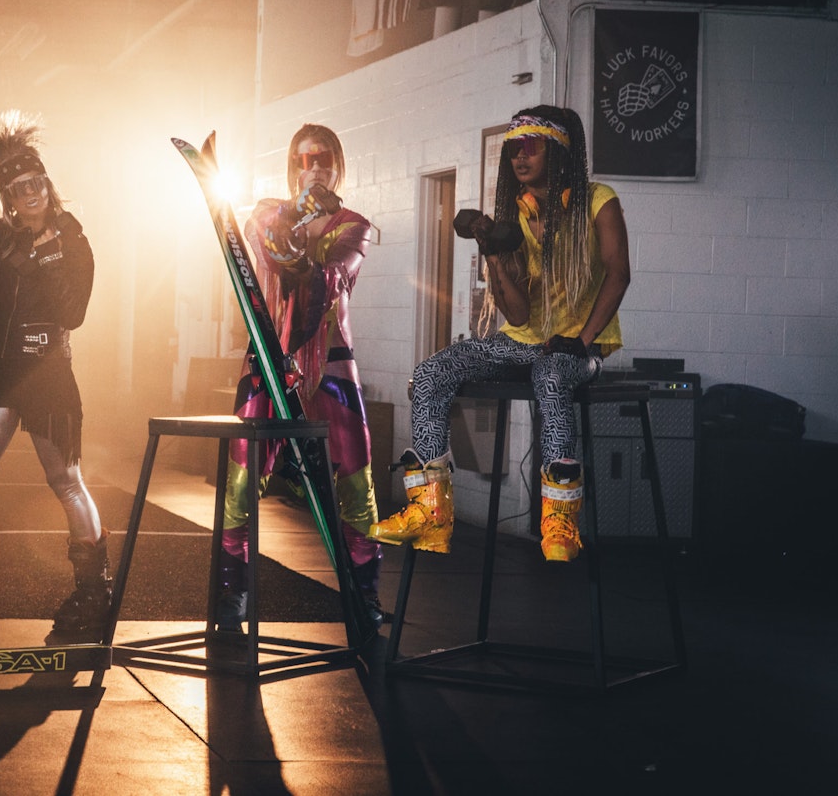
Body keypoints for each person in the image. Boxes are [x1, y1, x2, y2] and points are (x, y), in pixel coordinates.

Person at [370, 104, 630, 562]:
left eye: (530, 147)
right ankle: (430, 513)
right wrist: (490, 252)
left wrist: (584, 340)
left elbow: (619, 273)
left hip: (579, 348)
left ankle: (560, 520)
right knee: (432, 373)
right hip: (524, 342)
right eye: (513, 150)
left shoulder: (597, 200)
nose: (519, 157)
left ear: (557, 150)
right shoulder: (518, 214)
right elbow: (517, 313)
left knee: (551, 375)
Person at [0, 113, 108, 638]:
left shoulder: (75, 243)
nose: (28, 192)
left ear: (48, 185)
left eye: (35, 183)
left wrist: (49, 254)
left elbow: (72, 313)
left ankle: (93, 595)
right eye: (16, 187)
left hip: (48, 373)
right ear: (6, 196)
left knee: (65, 480)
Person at [216, 123, 385, 629]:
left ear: (338, 165)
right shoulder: (267, 212)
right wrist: (303, 224)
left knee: (357, 481)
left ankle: (364, 596)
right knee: (241, 479)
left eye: (322, 159)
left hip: (331, 364)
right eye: (301, 161)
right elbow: (270, 253)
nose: (311, 169)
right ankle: (232, 594)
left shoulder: (354, 224)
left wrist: (313, 234)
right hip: (268, 362)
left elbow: (330, 280)